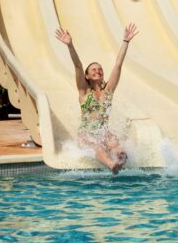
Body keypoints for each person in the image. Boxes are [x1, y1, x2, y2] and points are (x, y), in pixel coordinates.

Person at [55, 23, 139, 174]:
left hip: (103, 132)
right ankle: (112, 165)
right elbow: (78, 67)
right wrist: (70, 45)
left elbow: (118, 65)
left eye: (100, 69)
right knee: (98, 147)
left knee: (116, 145)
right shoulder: (84, 92)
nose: (98, 71)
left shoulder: (108, 92)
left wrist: (125, 42)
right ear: (87, 76)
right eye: (93, 69)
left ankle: (120, 159)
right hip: (86, 134)